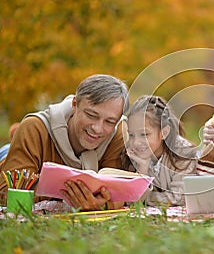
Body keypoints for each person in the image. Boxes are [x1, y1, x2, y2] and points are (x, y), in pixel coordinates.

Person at [0, 74, 129, 211]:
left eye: (109, 122)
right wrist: (70, 196)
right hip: (9, 155)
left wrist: (101, 204)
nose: (97, 128)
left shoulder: (119, 133)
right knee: (8, 150)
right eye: (91, 115)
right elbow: (7, 191)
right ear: (75, 105)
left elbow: (119, 193)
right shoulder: (33, 128)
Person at [122, 95, 197, 206]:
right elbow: (130, 202)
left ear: (164, 133)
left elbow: (178, 198)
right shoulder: (133, 154)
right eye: (132, 135)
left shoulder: (183, 152)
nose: (136, 142)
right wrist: (142, 171)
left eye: (144, 134)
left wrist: (145, 198)